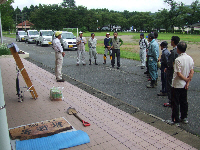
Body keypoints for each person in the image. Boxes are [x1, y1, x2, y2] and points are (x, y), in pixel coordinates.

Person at [167, 42, 194, 126]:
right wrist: (188, 81)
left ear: (178, 49)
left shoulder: (178, 60)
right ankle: (184, 117)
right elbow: (191, 71)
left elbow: (178, 73)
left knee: (175, 102)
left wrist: (185, 79)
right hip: (185, 84)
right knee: (184, 101)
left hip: (177, 84)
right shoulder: (190, 58)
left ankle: (175, 120)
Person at [163, 36, 180, 107]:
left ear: (173, 41)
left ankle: (171, 101)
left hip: (171, 71)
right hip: (175, 71)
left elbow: (171, 63)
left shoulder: (174, 52)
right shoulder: (178, 51)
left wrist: (167, 68)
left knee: (170, 85)